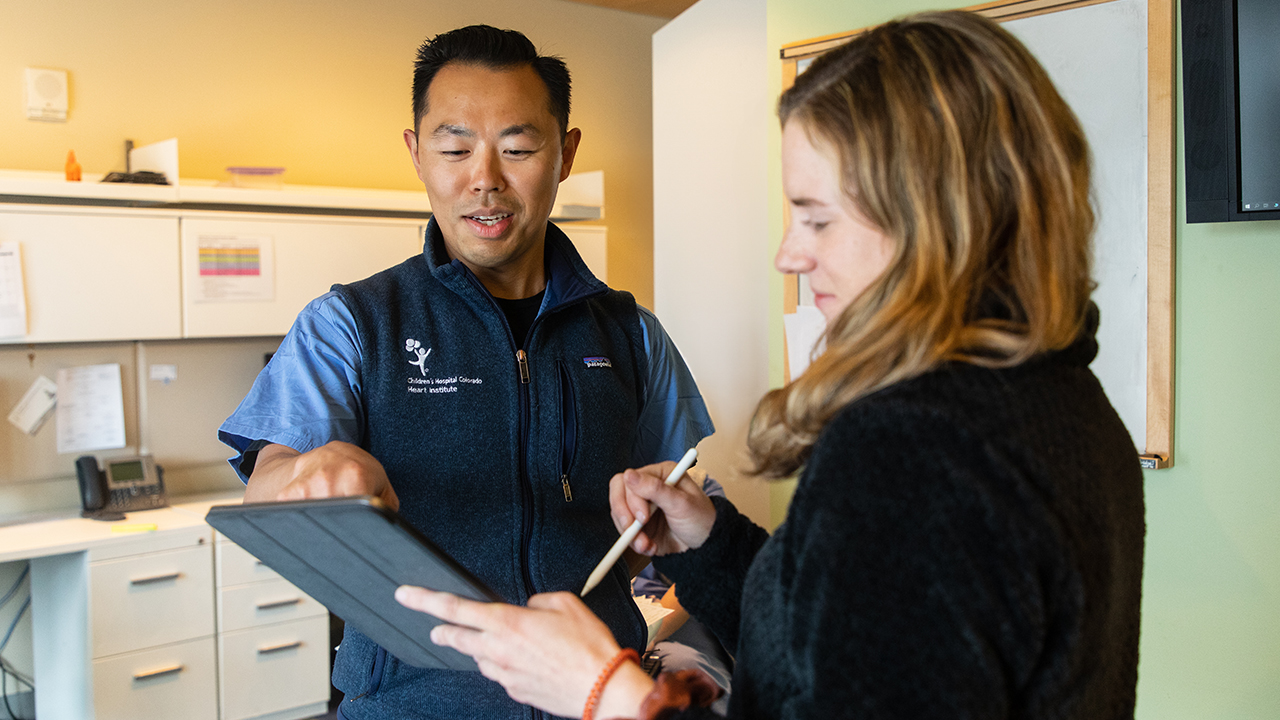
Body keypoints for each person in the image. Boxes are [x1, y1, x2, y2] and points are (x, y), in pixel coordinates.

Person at [394, 11, 1146, 720]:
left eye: (818, 218)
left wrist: (606, 692)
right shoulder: (1064, 402)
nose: (790, 253)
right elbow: (844, 633)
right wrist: (710, 541)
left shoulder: (916, 449)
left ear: (939, 218)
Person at [218, 24, 714, 720]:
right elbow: (268, 486)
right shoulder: (351, 323)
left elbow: (667, 517)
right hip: (410, 703)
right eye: (454, 148)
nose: (485, 179)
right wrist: (306, 474)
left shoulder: (631, 333)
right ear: (416, 153)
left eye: (518, 148)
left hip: (596, 698)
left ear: (566, 153)